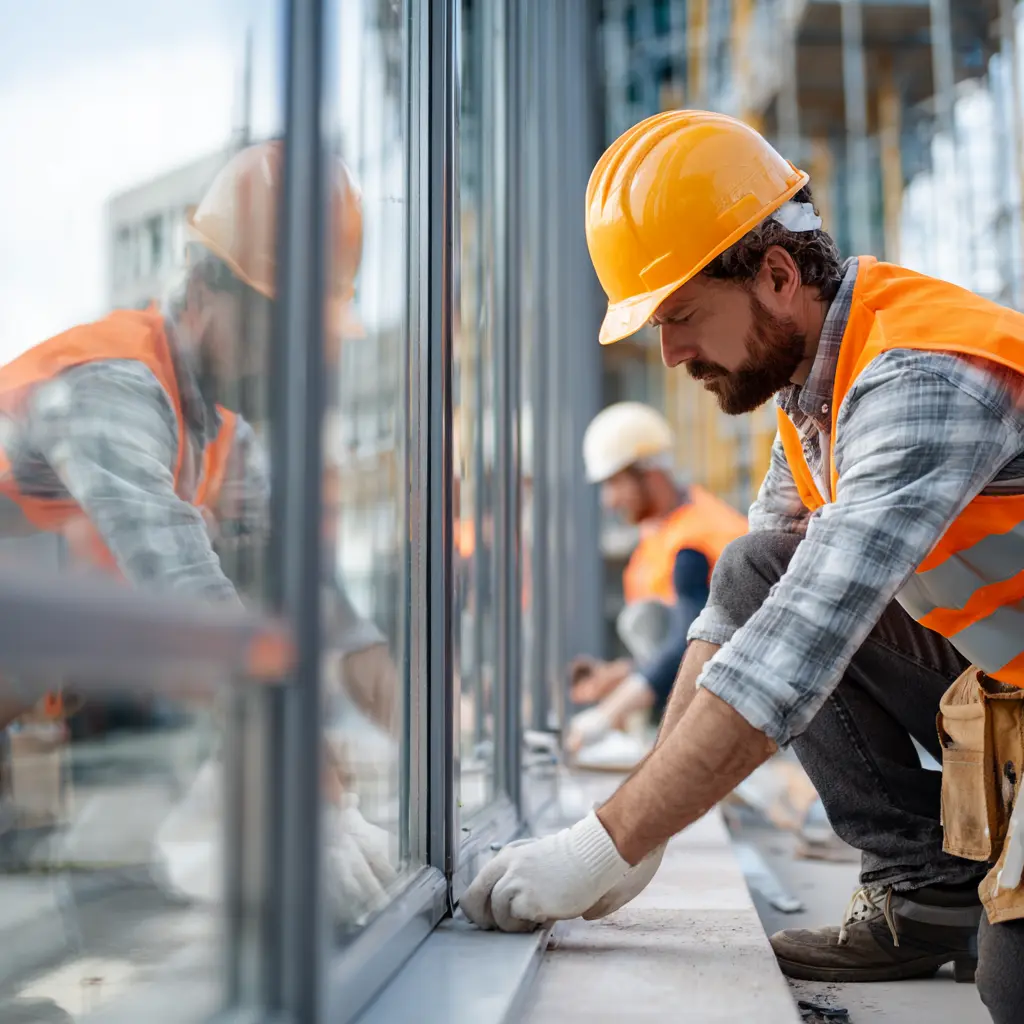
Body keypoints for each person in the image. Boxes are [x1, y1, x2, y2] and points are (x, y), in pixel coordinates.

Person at [461, 110, 1024, 1024]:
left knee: (1015, 988)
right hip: (1004, 688)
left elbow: (803, 641)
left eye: (681, 315)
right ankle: (927, 891)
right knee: (761, 563)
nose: (671, 352)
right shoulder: (813, 396)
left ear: (775, 274)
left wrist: (603, 844)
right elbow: (746, 611)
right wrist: (639, 834)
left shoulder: (920, 374)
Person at [0, 140, 399, 924]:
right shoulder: (115, 386)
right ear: (209, 289)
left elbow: (298, 594)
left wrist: (422, 744)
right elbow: (179, 581)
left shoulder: (221, 430)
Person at [567, 401, 746, 754]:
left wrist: (606, 715)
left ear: (650, 474)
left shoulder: (691, 543)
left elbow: (689, 646)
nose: (609, 500)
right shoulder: (668, 533)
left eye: (615, 483)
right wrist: (619, 675)